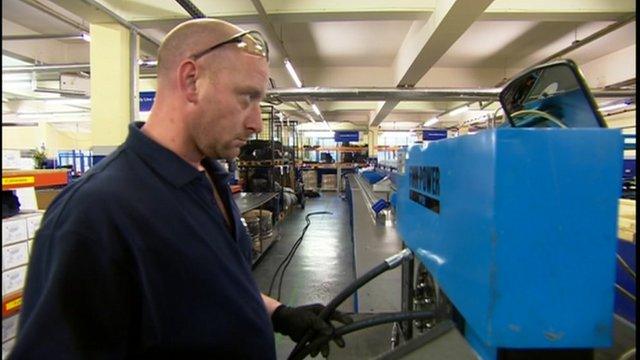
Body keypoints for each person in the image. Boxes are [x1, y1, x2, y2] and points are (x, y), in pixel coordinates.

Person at [10, 18, 351, 359]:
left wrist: (278, 313)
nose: (256, 123)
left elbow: (207, 287)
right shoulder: (96, 213)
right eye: (246, 98)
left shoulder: (208, 178)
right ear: (191, 81)